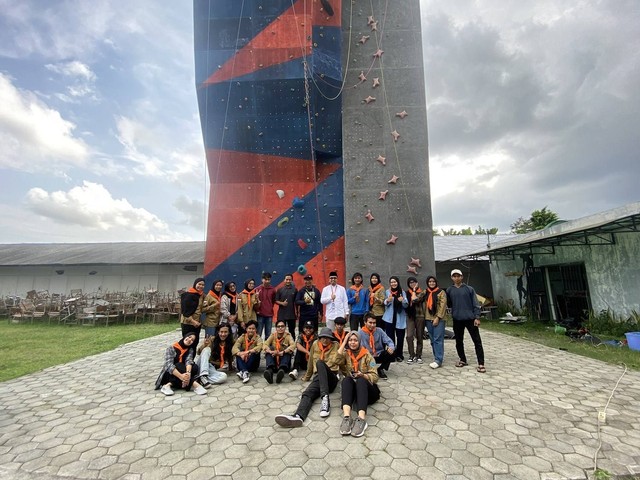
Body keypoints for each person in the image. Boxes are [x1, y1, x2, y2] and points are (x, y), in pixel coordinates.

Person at [275, 327, 346, 427]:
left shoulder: (336, 345)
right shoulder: (315, 344)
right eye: (323, 338)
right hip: (318, 377)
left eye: (328, 338)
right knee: (307, 393)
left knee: (320, 363)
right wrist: (307, 376)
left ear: (331, 339)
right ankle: (298, 416)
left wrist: (348, 377)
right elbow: (311, 362)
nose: (325, 340)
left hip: (331, 377)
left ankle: (325, 399)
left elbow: (341, 363)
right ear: (319, 338)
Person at [338, 332, 380, 437]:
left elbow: (375, 376)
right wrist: (344, 341)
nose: (352, 342)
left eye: (355, 340)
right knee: (346, 380)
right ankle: (347, 417)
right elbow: (336, 359)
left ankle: (361, 419)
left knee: (361, 380)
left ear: (359, 341)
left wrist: (363, 375)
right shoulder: (346, 354)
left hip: (369, 391)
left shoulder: (368, 355)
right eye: (350, 340)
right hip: (356, 392)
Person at [446, 269, 486, 373]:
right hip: (457, 319)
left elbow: (476, 303)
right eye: (454, 276)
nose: (456, 278)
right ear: (452, 278)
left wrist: (477, 317)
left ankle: (481, 363)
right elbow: (448, 304)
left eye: (458, 276)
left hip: (470, 319)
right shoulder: (449, 290)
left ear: (462, 277)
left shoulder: (469, 289)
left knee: (477, 341)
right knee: (459, 341)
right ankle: (462, 359)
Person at [155, 332, 207, 396]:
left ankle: (168, 385)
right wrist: (181, 377)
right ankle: (195, 385)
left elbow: (189, 361)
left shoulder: (190, 349)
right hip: (169, 374)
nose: (190, 340)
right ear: (185, 336)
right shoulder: (171, 348)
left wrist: (188, 374)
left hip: (181, 373)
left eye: (192, 340)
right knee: (179, 364)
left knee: (194, 367)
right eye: (189, 337)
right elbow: (169, 365)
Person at [359, 313, 395, 379]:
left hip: (378, 354)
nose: (372, 325)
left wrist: (391, 347)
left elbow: (389, 341)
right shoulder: (360, 333)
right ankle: (371, 369)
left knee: (391, 353)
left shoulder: (379, 331)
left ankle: (380, 369)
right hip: (367, 357)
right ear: (365, 322)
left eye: (374, 323)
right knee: (366, 361)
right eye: (370, 322)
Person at [196, 323, 233, 387]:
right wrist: (204, 345)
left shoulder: (231, 342)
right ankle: (203, 375)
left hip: (212, 368)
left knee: (224, 377)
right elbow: (199, 352)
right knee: (207, 349)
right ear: (218, 332)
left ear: (229, 333)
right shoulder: (212, 339)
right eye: (221, 332)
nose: (223, 334)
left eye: (225, 332)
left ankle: (200, 380)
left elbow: (232, 355)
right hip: (203, 365)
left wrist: (231, 366)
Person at [382, 276, 409, 361]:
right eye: (392, 282)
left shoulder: (402, 292)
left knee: (400, 338)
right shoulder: (387, 291)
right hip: (389, 319)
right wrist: (388, 300)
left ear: (398, 282)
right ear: (390, 283)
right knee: (390, 338)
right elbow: (385, 303)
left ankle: (399, 354)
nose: (393, 283)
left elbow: (406, 305)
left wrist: (403, 300)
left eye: (395, 282)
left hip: (400, 319)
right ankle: (392, 355)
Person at [425, 275, 448, 369]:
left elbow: (443, 306)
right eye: (430, 282)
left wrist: (438, 317)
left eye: (433, 281)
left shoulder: (441, 292)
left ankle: (438, 360)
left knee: (438, 339)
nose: (431, 283)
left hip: (439, 319)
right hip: (428, 318)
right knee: (432, 339)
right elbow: (417, 299)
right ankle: (436, 357)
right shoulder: (426, 292)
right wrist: (414, 291)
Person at [262, 319, 296, 384]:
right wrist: (270, 351)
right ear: (276, 328)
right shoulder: (273, 335)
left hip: (284, 362)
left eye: (282, 326)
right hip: (274, 361)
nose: (280, 328)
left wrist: (283, 352)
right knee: (268, 351)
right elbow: (265, 344)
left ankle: (281, 372)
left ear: (285, 328)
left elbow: (293, 345)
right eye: (278, 326)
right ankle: (269, 372)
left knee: (288, 351)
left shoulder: (288, 336)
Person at [180, 277, 204, 350]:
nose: (201, 286)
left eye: (203, 285)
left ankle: (191, 360)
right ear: (195, 284)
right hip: (188, 323)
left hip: (196, 324)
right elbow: (185, 312)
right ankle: (184, 360)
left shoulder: (200, 295)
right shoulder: (188, 295)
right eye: (199, 284)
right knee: (187, 343)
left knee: (195, 343)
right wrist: (193, 322)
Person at [405, 276, 426, 364]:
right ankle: (411, 355)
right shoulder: (406, 293)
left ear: (417, 283)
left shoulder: (421, 292)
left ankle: (418, 355)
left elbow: (414, 300)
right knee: (409, 336)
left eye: (414, 282)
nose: (412, 284)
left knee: (419, 336)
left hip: (420, 316)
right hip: (410, 317)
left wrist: (414, 291)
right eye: (410, 283)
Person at [275, 273, 298, 337]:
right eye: (287, 279)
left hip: (291, 314)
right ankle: (280, 345)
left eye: (289, 279)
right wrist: (282, 303)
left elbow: (296, 302)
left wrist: (297, 312)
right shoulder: (280, 290)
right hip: (282, 314)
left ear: (292, 280)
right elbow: (276, 300)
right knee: (280, 331)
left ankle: (292, 345)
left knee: (292, 331)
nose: (288, 281)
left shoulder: (295, 290)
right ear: (284, 280)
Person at [256, 272, 276, 339]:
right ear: (262, 279)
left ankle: (267, 349)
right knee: (258, 334)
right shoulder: (257, 289)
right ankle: (257, 349)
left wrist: (269, 307)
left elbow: (273, 301)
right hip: (260, 315)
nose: (267, 281)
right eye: (266, 279)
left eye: (269, 279)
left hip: (269, 315)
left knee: (268, 335)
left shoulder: (273, 290)